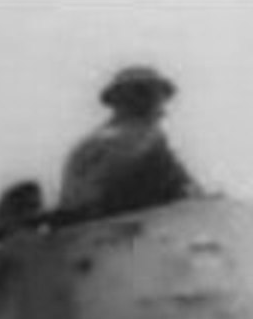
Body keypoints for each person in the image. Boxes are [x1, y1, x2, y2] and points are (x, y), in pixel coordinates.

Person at [59, 65, 200, 220]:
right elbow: (189, 195)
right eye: (146, 94)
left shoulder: (87, 145)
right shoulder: (144, 142)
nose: (159, 106)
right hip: (127, 226)